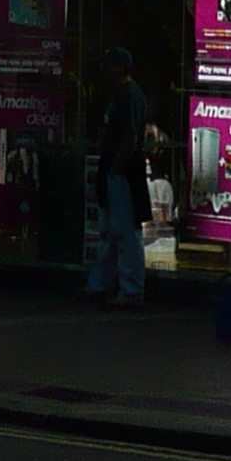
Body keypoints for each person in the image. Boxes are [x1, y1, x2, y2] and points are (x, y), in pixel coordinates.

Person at [87, 44, 151, 308]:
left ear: (119, 68)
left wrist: (116, 168)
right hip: (117, 169)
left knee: (124, 231)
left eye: (111, 66)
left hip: (122, 171)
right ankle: (105, 283)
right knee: (114, 231)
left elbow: (130, 137)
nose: (107, 71)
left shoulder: (128, 95)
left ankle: (130, 288)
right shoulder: (124, 94)